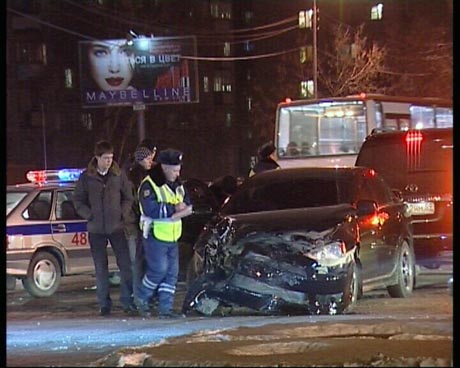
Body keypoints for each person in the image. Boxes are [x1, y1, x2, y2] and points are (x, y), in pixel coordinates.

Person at [73, 140, 136, 316]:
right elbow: (77, 200)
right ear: (97, 158)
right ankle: (104, 304)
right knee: (101, 268)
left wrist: (122, 213)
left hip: (117, 227)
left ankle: (127, 301)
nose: (109, 161)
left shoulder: (118, 175)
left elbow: (128, 197)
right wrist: (89, 214)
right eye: (106, 158)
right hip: (96, 230)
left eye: (111, 157)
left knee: (125, 266)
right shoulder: (86, 177)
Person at [135, 148, 193, 318]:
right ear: (165, 168)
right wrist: (175, 209)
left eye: (179, 169)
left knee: (171, 273)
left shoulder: (178, 184)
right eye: (174, 170)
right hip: (155, 235)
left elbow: (187, 202)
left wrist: (184, 209)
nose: (178, 173)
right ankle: (142, 298)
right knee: (159, 270)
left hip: (172, 236)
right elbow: (151, 209)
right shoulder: (149, 184)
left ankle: (165, 310)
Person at [124, 145, 156, 302]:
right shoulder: (134, 178)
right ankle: (138, 297)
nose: (151, 160)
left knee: (143, 263)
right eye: (149, 158)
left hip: (141, 225)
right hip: (135, 226)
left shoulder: (144, 175)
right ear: (141, 159)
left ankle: (143, 296)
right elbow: (134, 203)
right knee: (137, 263)